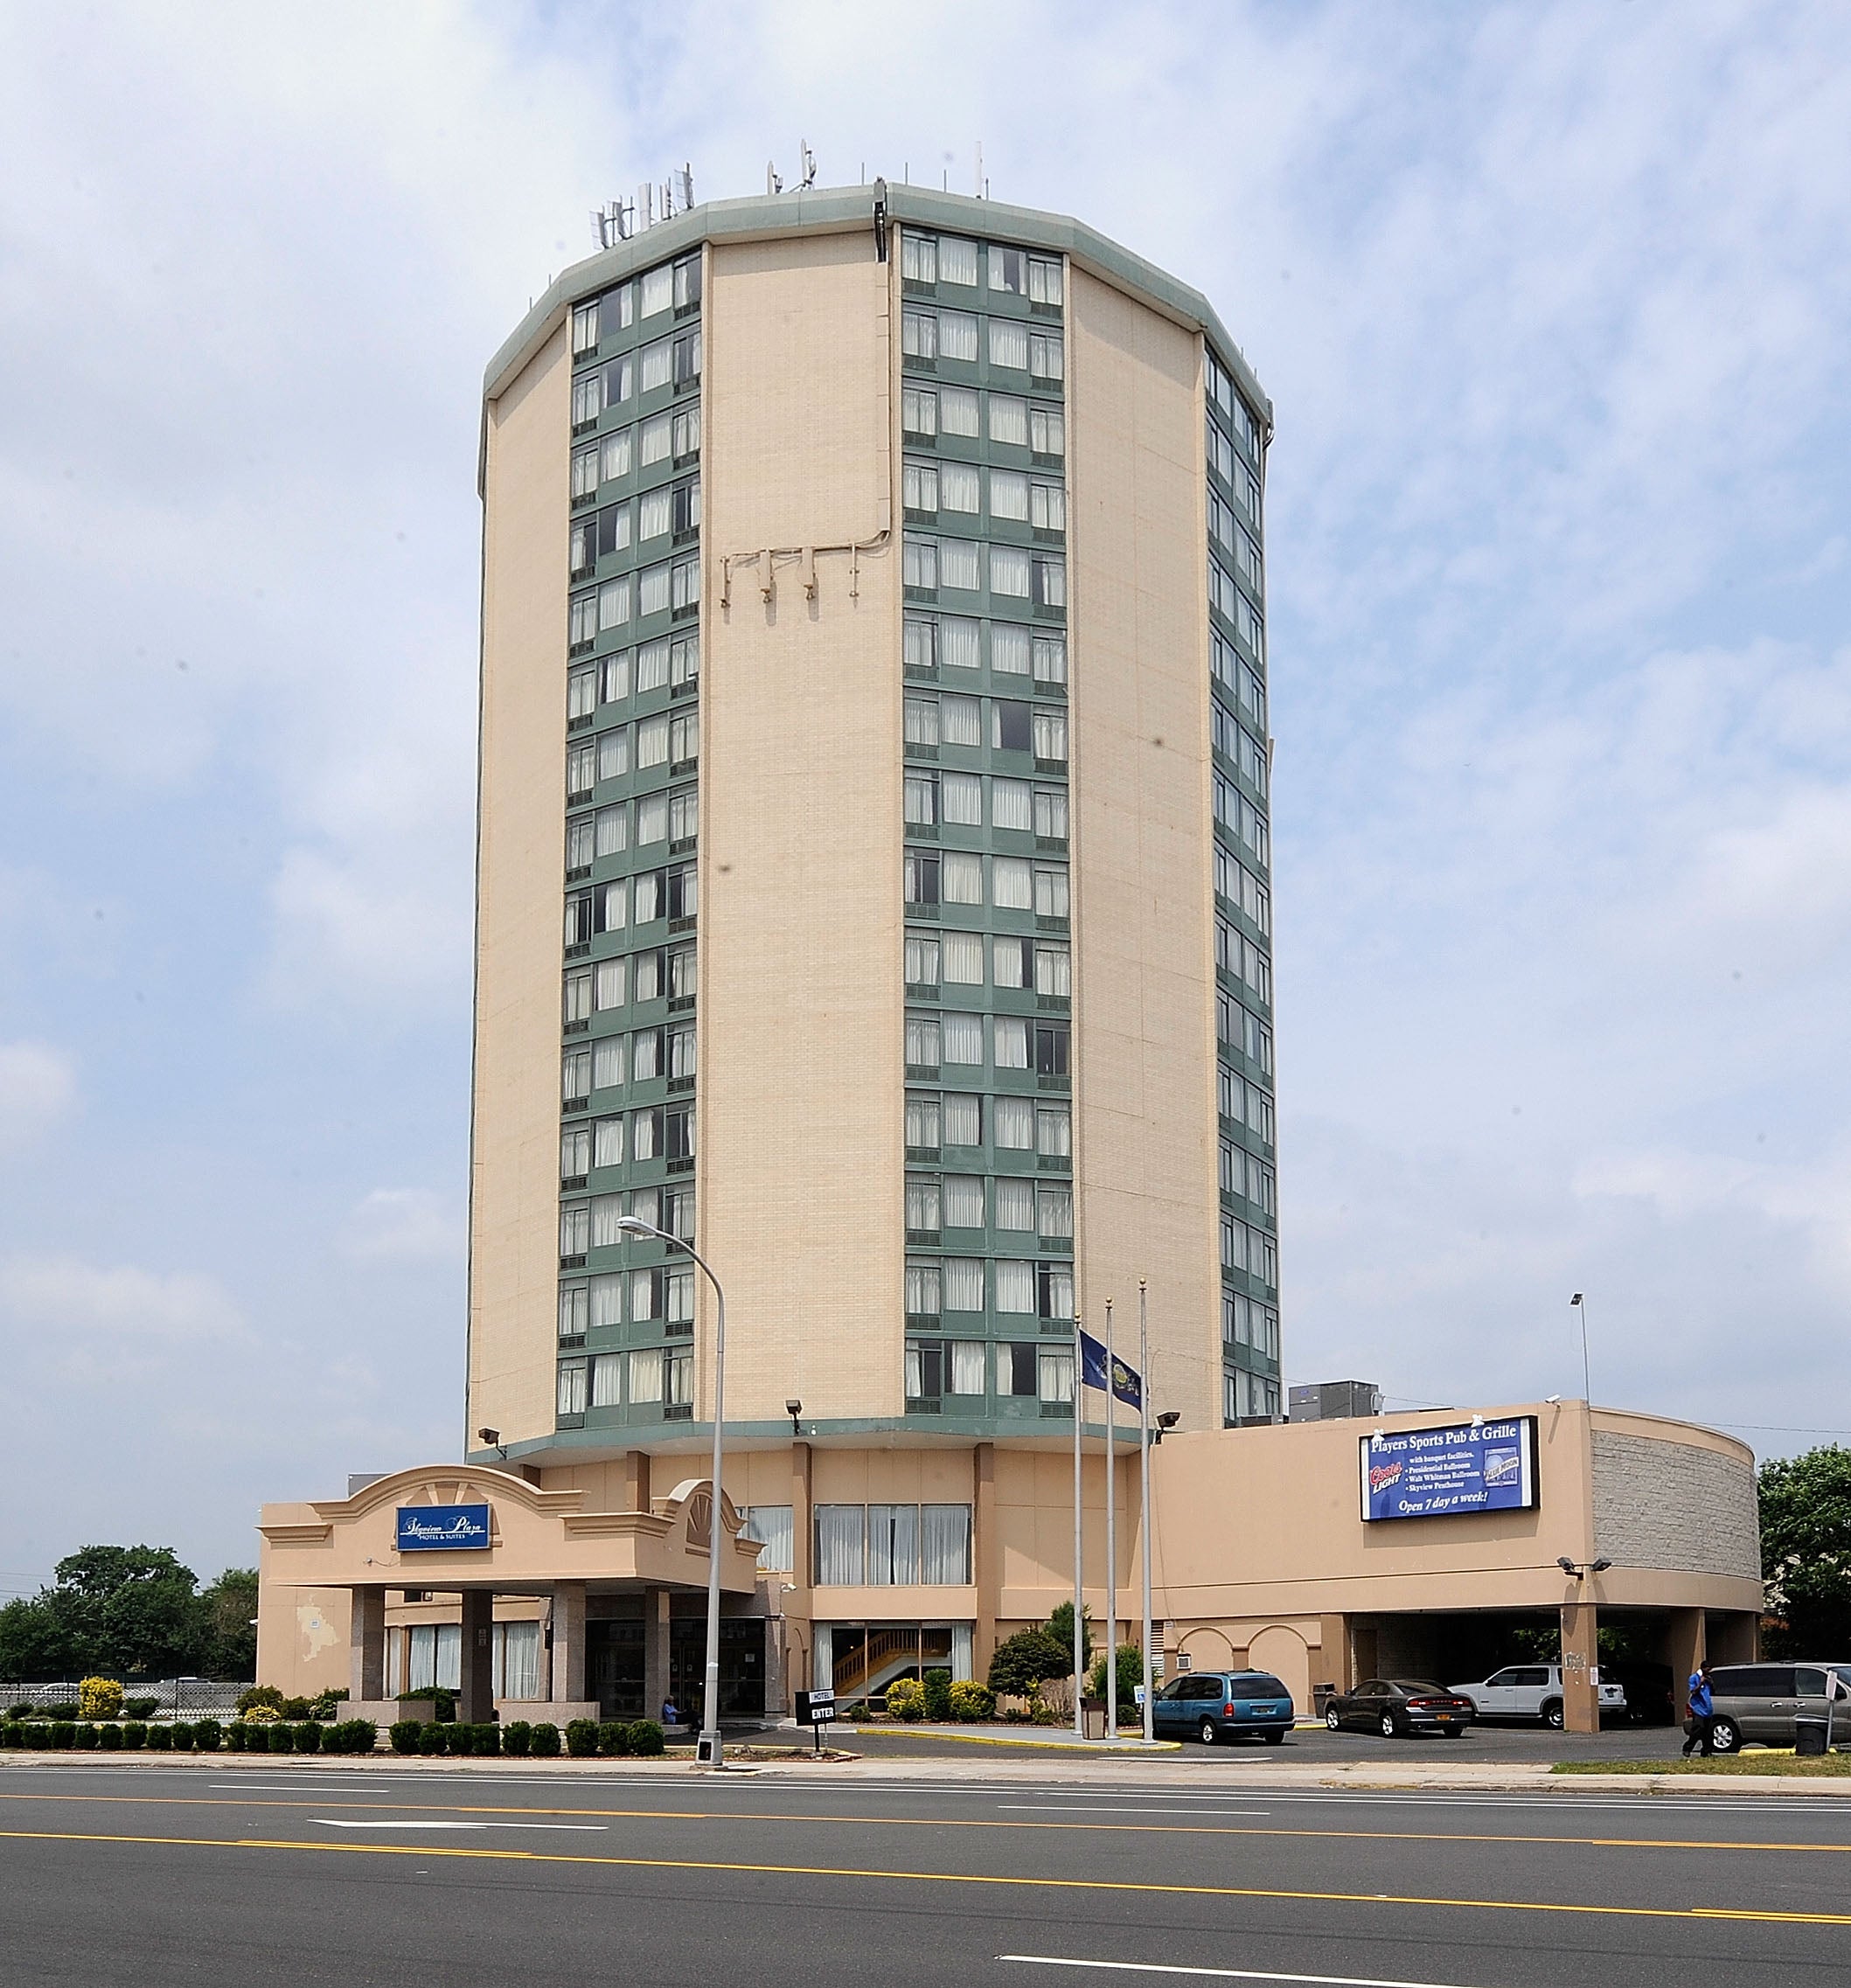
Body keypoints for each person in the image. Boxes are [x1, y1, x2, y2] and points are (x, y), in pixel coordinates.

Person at [1681, 1660, 1715, 1757]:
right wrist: (1700, 1683)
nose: (1709, 1672)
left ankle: (1706, 1751)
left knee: (1708, 1731)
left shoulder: (1708, 1679)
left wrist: (1711, 1683)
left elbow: (1712, 1692)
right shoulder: (1694, 1678)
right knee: (1698, 1729)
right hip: (1698, 1708)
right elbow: (1693, 1691)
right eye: (1707, 1670)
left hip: (1707, 1708)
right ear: (1703, 1668)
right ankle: (1687, 1748)